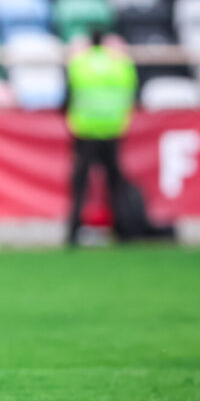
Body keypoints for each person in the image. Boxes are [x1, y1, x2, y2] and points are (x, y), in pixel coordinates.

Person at [64, 30, 136, 246]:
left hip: (85, 129)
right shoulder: (121, 64)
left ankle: (73, 232)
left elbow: (68, 95)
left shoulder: (80, 63)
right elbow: (132, 94)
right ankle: (122, 230)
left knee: (80, 184)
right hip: (113, 128)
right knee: (114, 183)